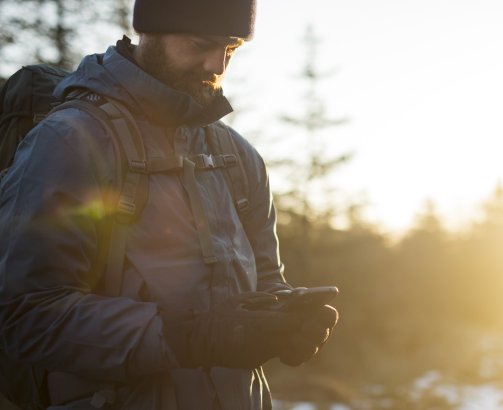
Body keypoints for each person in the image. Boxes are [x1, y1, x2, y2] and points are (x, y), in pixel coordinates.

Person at [0, 0, 338, 408]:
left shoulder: (237, 156)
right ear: (151, 31)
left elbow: (266, 282)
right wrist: (190, 337)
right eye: (200, 44)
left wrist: (285, 323)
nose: (216, 65)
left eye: (231, 49)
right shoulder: (72, 142)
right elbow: (29, 315)